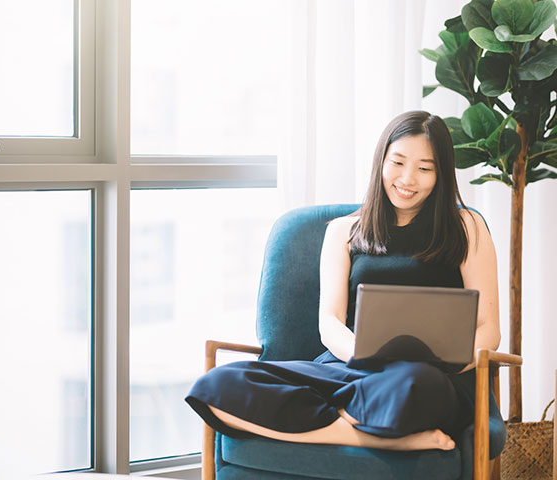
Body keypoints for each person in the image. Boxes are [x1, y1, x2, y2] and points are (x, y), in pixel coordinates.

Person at [185, 110, 501, 452]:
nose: (408, 179)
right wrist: (365, 358)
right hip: (350, 369)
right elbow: (330, 323)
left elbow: (489, 329)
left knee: (413, 385)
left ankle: (357, 416)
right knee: (218, 385)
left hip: (427, 379)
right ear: (380, 161)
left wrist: (441, 363)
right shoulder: (343, 231)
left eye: (425, 168)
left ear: (441, 175)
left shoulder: (467, 227)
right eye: (397, 162)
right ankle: (375, 437)